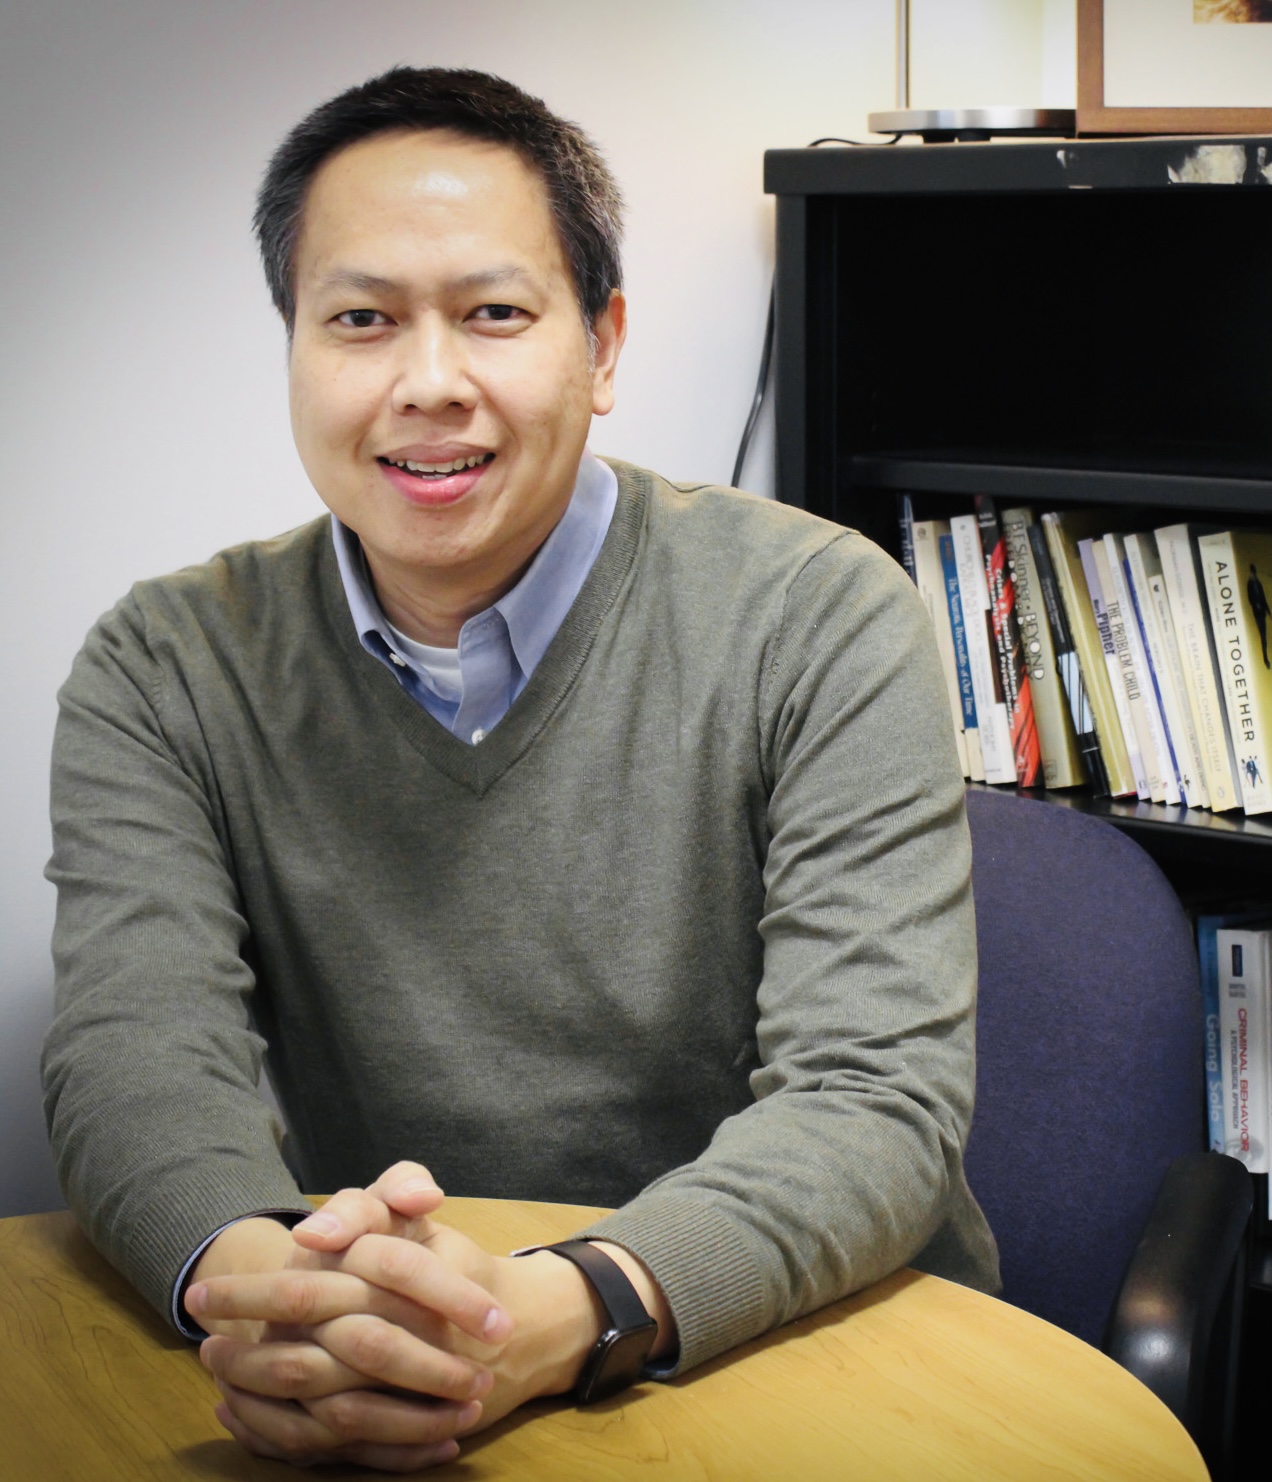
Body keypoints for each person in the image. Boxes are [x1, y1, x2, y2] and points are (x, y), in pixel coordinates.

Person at [42, 66, 998, 1472]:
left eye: (494, 312)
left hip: (808, 1354)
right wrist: (283, 1298)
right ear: (294, 349)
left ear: (604, 346)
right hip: (396, 1386)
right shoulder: (167, 664)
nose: (429, 383)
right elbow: (137, 1057)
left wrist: (560, 1309)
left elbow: (870, 1098)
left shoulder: (818, 614)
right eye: (359, 319)